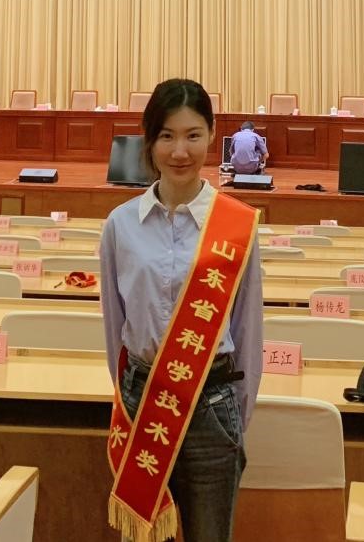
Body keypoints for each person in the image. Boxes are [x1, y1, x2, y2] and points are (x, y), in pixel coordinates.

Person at [99, 78, 263, 542]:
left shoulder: (236, 226)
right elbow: (115, 327)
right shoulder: (120, 225)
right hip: (142, 401)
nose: (179, 151)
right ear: (149, 141)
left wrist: (236, 417)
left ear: (212, 135)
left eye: (193, 135)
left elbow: (248, 330)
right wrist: (128, 392)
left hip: (212, 406)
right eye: (166, 136)